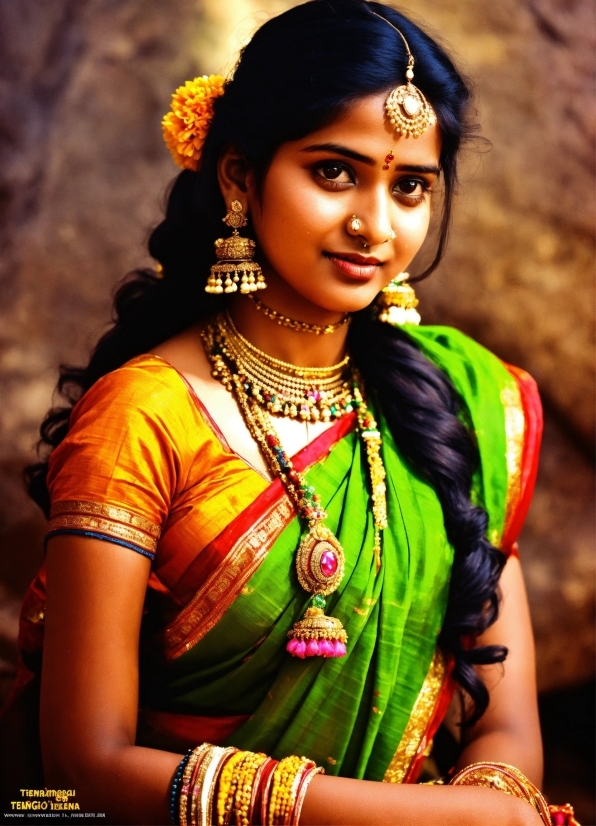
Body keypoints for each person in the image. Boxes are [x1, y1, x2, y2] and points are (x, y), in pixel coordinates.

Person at [0, 1, 578, 824]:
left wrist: (493, 801)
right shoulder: (142, 418)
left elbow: (509, 731)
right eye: (335, 171)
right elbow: (83, 768)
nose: (374, 226)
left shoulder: (454, 401)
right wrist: (429, 818)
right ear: (239, 175)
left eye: (409, 186)